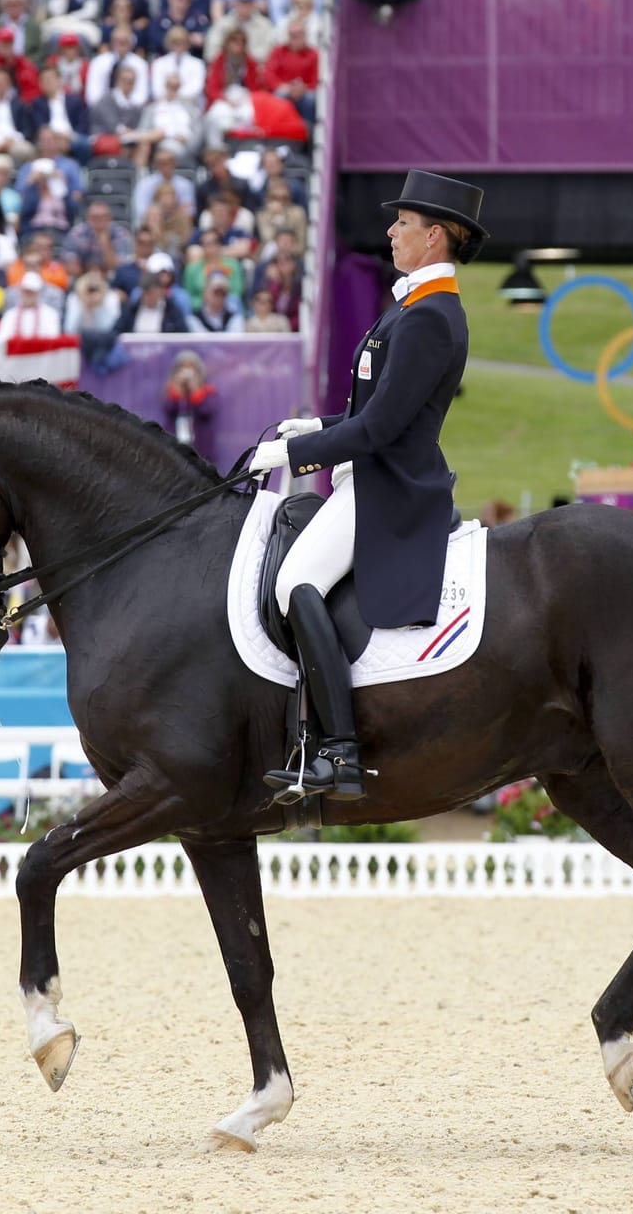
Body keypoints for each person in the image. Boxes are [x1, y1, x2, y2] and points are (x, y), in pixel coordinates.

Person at [245, 170, 485, 801]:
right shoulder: (413, 306)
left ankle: (338, 752)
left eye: (401, 223)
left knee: (295, 583)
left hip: (388, 487)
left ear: (433, 237)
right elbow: (379, 412)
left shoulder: (431, 317)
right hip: (371, 473)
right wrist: (318, 425)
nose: (390, 231)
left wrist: (292, 452)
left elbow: (381, 430)